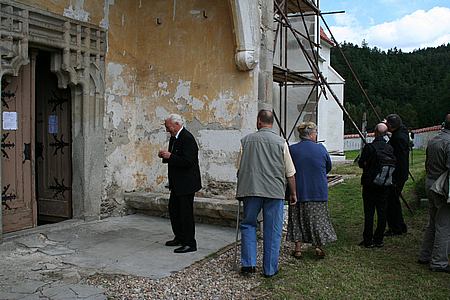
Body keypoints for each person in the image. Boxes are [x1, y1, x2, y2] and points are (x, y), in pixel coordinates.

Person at [236, 109, 297, 278]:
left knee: (248, 224)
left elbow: (239, 168)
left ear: (259, 121)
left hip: (251, 189)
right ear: (272, 123)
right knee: (272, 229)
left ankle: (248, 264)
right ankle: (270, 269)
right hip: (274, 191)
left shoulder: (246, 141)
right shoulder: (281, 142)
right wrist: (293, 193)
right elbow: (290, 172)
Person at [287, 122, 337, 259]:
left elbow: (288, 170)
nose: (316, 135)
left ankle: (298, 249)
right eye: (315, 132)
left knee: (297, 219)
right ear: (311, 134)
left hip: (298, 191)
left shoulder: (293, 149)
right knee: (318, 220)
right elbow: (328, 166)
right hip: (317, 191)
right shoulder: (321, 149)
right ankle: (318, 247)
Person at [158, 113, 201, 253]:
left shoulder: (187, 138)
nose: (167, 130)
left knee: (185, 214)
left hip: (187, 184)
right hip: (177, 183)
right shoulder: (174, 138)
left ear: (177, 124)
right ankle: (180, 237)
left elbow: (188, 161)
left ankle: (190, 243)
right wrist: (165, 156)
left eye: (168, 127)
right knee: (174, 210)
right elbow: (174, 158)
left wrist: (171, 156)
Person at [418, 114, 450, 273]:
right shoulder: (449, 143)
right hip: (442, 187)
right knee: (444, 226)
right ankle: (439, 262)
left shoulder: (434, 140)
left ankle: (425, 255)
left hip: (430, 182)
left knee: (432, 222)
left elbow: (427, 163)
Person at [358, 123, 396, 248]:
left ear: (375, 132)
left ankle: (368, 240)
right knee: (382, 212)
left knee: (369, 212)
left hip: (370, 184)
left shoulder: (370, 147)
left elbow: (361, 163)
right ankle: (379, 239)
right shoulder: (389, 148)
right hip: (385, 184)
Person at [384, 114, 409, 236]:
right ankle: (400, 226)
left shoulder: (397, 139)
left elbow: (396, 159)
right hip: (402, 173)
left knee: (392, 201)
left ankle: (396, 228)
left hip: (397, 174)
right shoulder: (402, 131)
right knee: (394, 200)